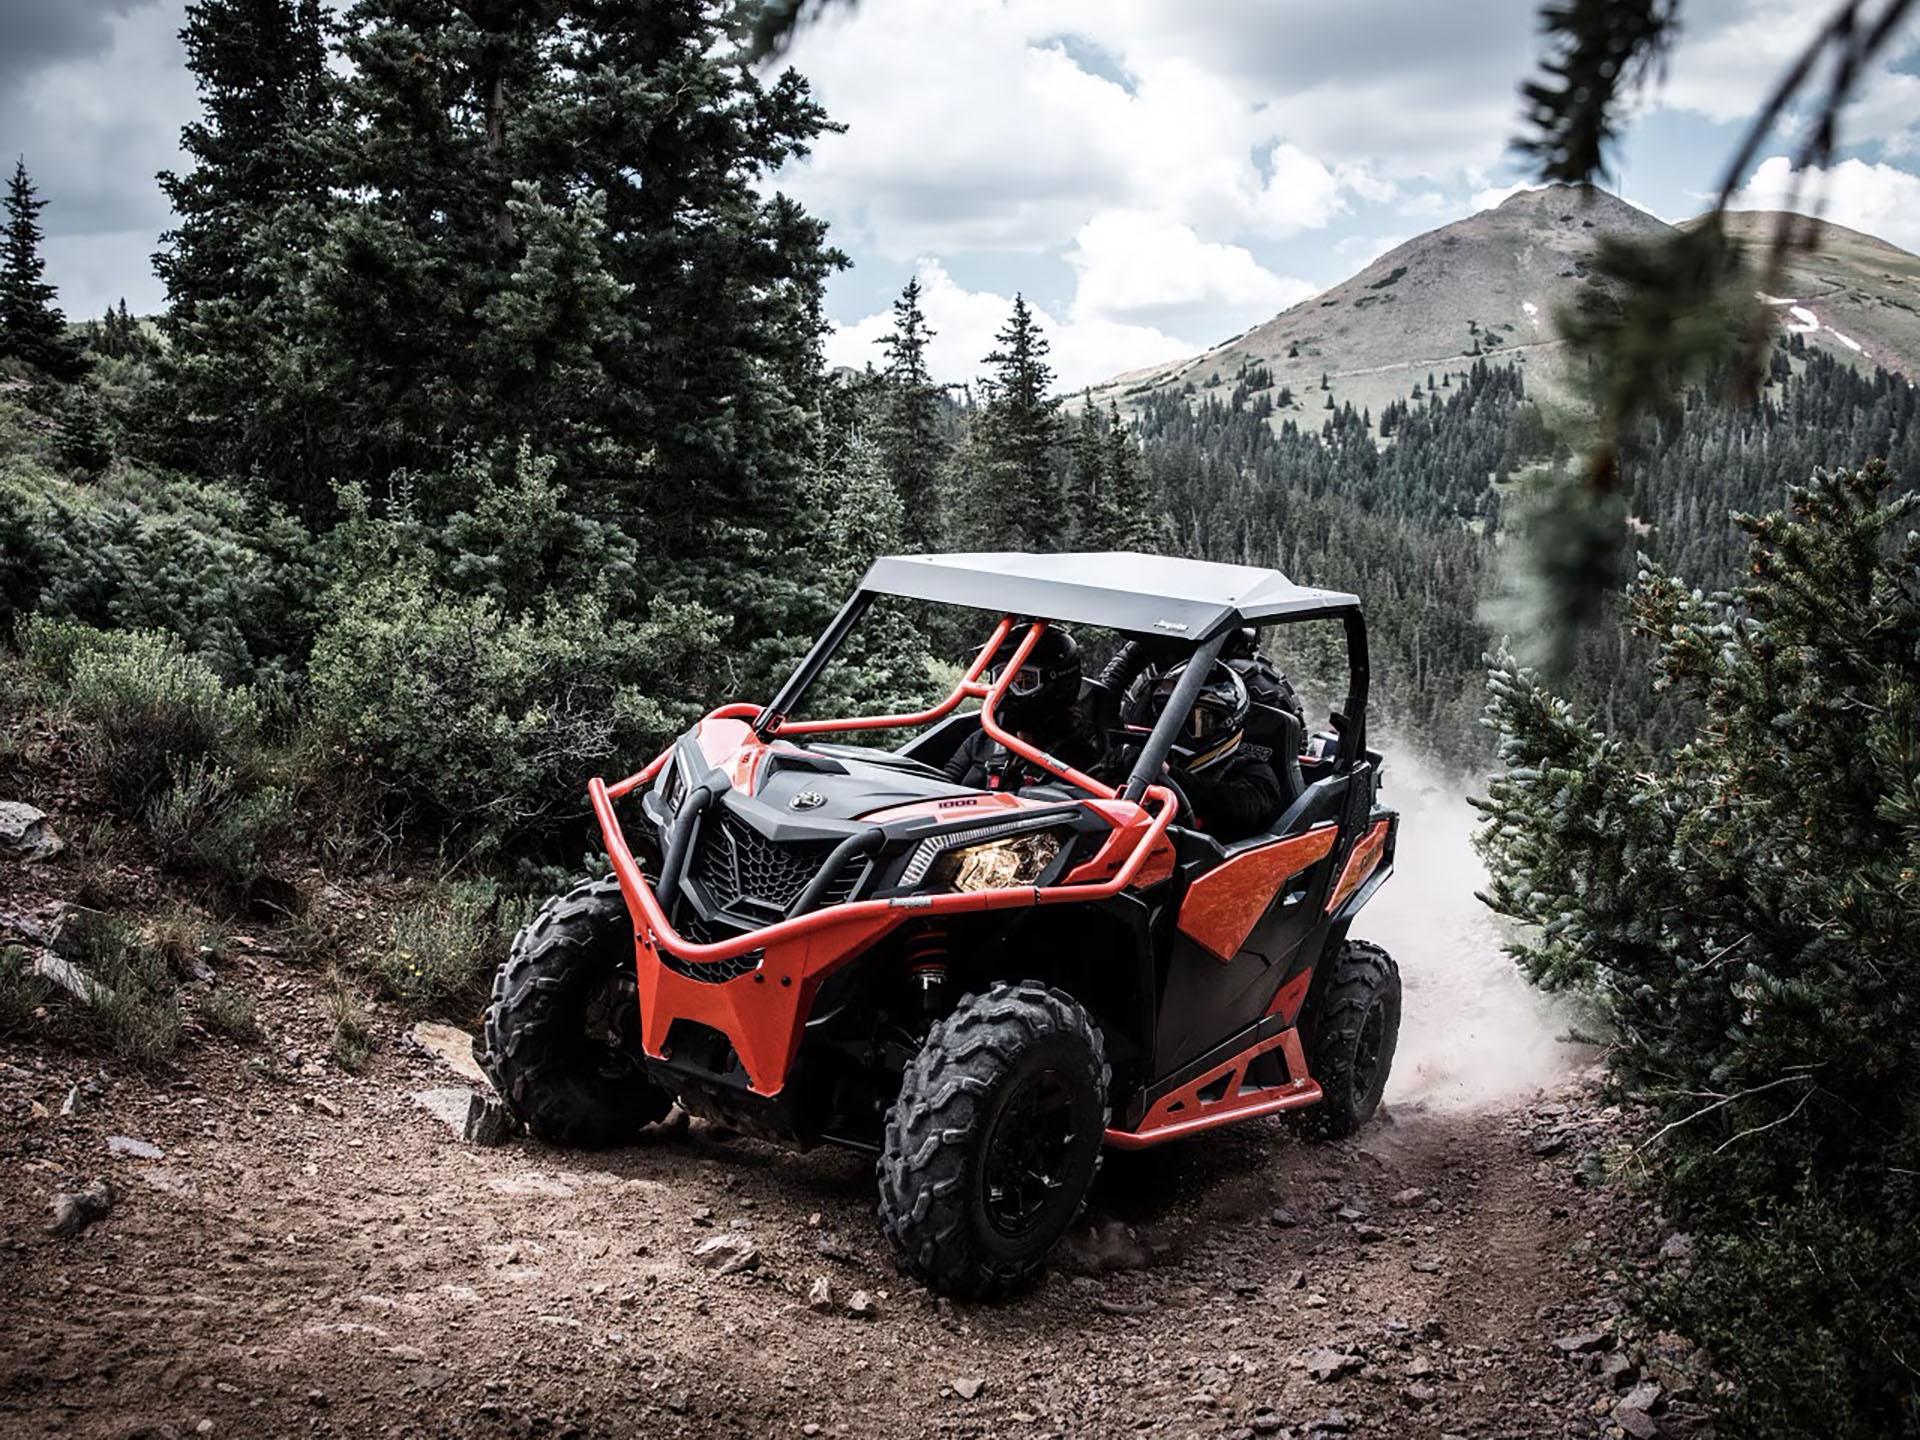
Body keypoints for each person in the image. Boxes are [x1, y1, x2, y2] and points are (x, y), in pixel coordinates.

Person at [1137, 660, 1285, 841]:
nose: (1181, 730)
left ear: (1228, 722)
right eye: (1171, 717)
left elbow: (1244, 806)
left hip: (1208, 863)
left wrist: (1168, 774)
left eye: (1198, 720)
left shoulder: (1253, 770)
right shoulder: (1153, 754)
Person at [942, 627, 1102, 792]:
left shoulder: (1079, 761)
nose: (1008, 691)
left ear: (1057, 685)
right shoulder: (983, 740)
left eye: (1024, 682)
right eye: (1003, 677)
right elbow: (941, 788)